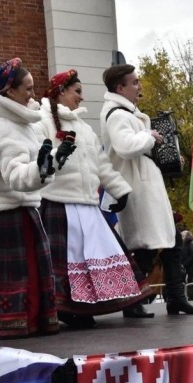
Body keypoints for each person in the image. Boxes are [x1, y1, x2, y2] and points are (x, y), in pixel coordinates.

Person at [38, 69, 154, 329]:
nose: (81, 97)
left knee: (95, 258)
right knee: (67, 263)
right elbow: (41, 163)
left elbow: (102, 165)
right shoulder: (41, 121)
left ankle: (85, 308)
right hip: (58, 204)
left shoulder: (84, 128)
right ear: (61, 92)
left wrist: (120, 189)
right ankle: (67, 310)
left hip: (88, 206)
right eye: (77, 91)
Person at [0, 58, 61, 338]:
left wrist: (50, 162)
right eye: (27, 89)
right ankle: (14, 323)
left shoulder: (17, 116)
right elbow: (16, 176)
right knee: (20, 275)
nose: (33, 94)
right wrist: (42, 169)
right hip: (7, 210)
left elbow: (33, 162)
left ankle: (25, 320)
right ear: (9, 91)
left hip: (16, 208)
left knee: (26, 273)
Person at [99, 64, 193, 315]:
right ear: (120, 88)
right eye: (134, 83)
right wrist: (150, 136)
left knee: (171, 241)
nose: (139, 86)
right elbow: (125, 146)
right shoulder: (117, 115)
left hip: (146, 183)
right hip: (137, 187)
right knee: (145, 246)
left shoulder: (127, 112)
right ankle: (132, 302)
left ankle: (175, 297)